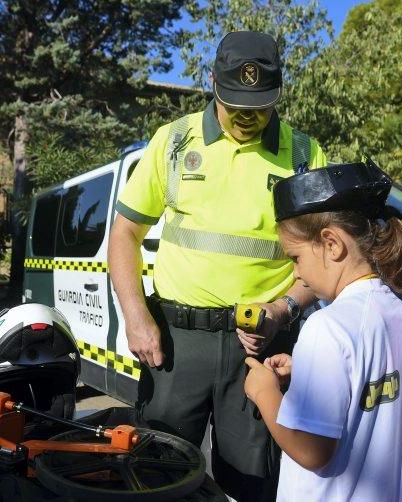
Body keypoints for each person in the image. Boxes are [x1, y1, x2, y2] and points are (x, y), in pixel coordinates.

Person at [108, 30, 327, 500]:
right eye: (236, 105)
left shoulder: (305, 156)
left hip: (259, 345)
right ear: (211, 83)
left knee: (251, 483)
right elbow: (124, 234)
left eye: (260, 106)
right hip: (175, 344)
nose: (247, 118)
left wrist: (284, 309)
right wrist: (136, 317)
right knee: (157, 473)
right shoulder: (172, 141)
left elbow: (320, 262)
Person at [244, 160, 402, 501]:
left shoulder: (325, 326)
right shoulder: (395, 309)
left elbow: (313, 451)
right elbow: (373, 387)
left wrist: (265, 393)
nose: (296, 275)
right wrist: (307, 371)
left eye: (295, 258)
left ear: (332, 244)